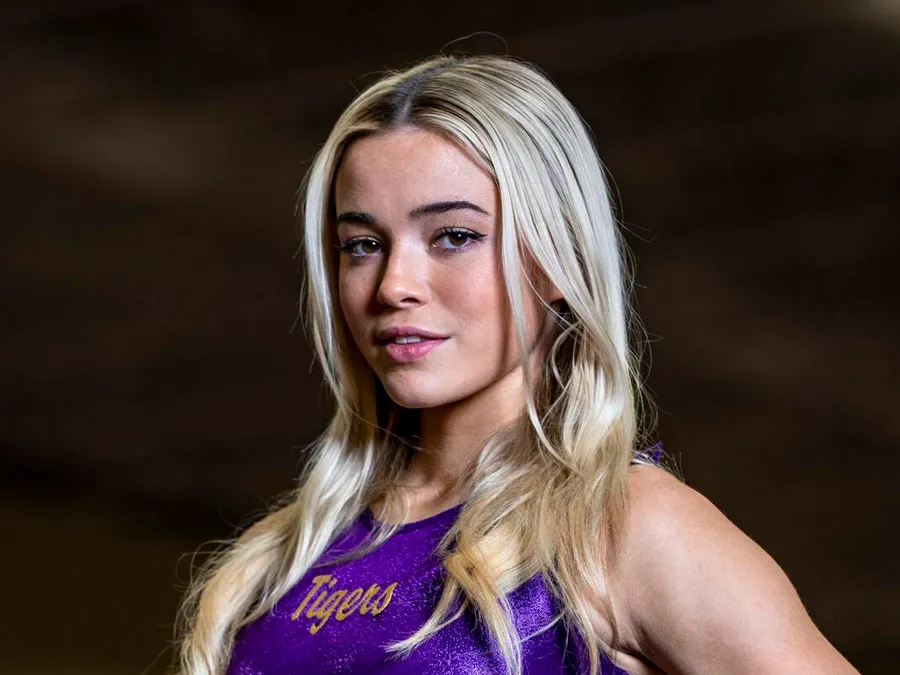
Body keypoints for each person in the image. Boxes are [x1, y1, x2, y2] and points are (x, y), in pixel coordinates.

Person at [174, 55, 857, 675]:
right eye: (362, 245)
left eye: (454, 236)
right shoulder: (279, 556)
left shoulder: (623, 527)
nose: (393, 286)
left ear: (556, 259)